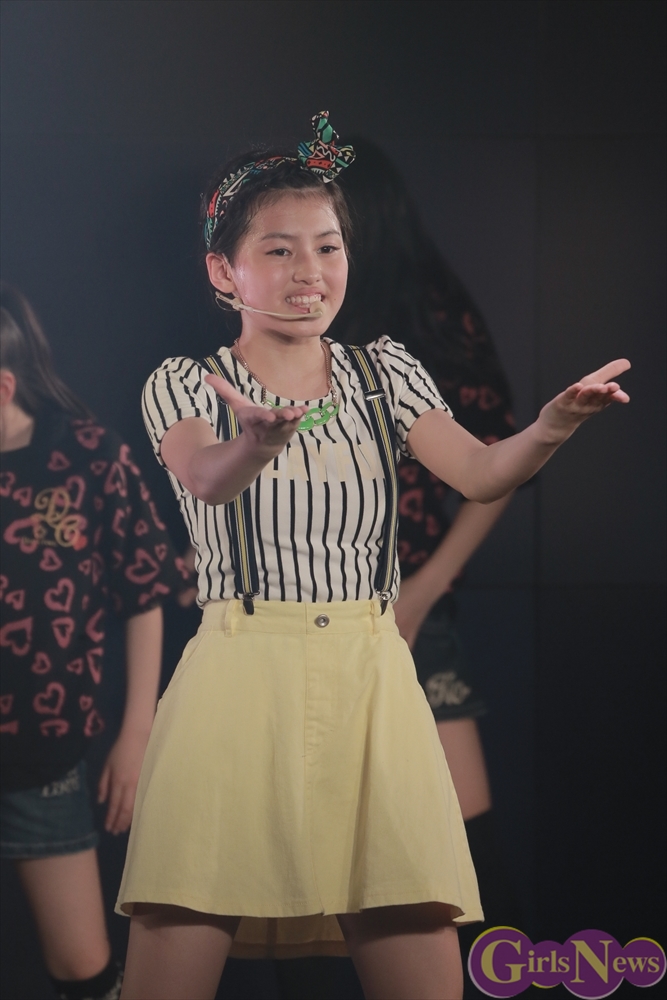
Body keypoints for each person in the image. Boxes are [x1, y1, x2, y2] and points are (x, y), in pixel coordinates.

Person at [116, 112, 629, 1000]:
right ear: (223, 272)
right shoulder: (185, 382)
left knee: (421, 956)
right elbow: (204, 476)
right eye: (278, 250)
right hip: (237, 679)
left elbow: (478, 473)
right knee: (174, 951)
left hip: (372, 677)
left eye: (327, 247)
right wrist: (256, 444)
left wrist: (551, 426)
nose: (309, 272)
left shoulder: (384, 371)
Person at [330, 138, 523, 938]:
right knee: (303, 852)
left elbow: (492, 461)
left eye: (329, 221)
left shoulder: (425, 311)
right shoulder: (286, 314)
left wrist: (426, 586)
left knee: (460, 846)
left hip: (407, 595)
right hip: (290, 610)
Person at [0, 284, 191, 1000]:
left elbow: (144, 591)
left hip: (42, 755)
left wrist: (135, 733)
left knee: (83, 965)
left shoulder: (85, 457)